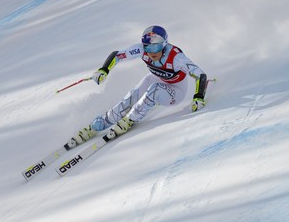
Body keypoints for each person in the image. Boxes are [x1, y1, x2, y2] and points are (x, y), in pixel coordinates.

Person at [71, 25, 208, 146]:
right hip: (156, 79)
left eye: (157, 46)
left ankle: (129, 120)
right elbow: (117, 55)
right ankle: (99, 124)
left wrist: (198, 97)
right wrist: (104, 70)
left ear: (165, 44)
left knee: (154, 90)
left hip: (176, 90)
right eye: (148, 47)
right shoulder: (141, 50)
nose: (152, 52)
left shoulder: (176, 58)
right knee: (131, 98)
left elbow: (200, 75)